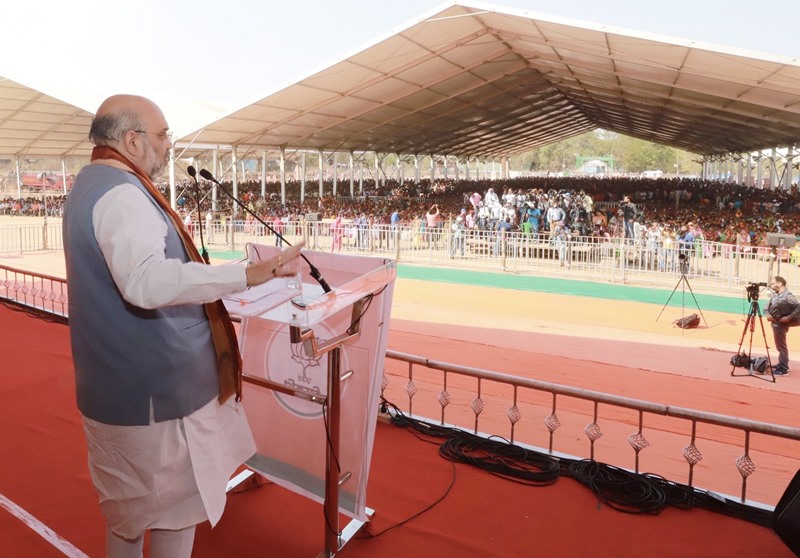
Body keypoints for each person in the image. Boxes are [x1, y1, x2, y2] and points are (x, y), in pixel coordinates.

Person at [62, 94, 304, 558]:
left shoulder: (92, 182)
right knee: (174, 515)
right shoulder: (122, 195)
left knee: (129, 518)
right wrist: (246, 274)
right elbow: (146, 281)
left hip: (119, 389)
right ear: (132, 141)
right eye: (162, 134)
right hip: (156, 398)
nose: (168, 144)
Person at [766, 275, 800, 375]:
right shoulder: (775, 294)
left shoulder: (788, 296)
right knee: (780, 346)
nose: (771, 285)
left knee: (781, 346)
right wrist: (768, 314)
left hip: (780, 322)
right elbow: (766, 307)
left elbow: (799, 307)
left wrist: (789, 317)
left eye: (773, 283)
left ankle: (783, 368)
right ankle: (782, 363)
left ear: (780, 283)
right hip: (776, 322)